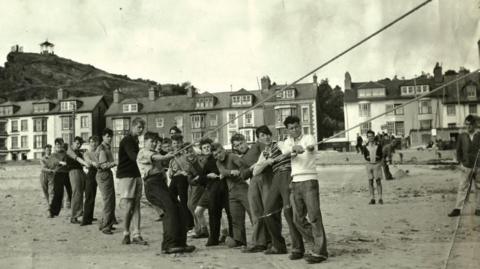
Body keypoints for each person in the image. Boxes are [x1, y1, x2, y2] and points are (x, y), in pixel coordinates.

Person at [137, 132, 195, 253]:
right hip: (152, 185)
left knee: (179, 208)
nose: (153, 144)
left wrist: (175, 154)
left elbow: (164, 160)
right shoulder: (143, 152)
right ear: (145, 141)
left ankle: (181, 243)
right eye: (151, 141)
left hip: (161, 184)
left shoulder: (156, 152)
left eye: (155, 142)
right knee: (170, 209)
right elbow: (158, 158)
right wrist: (166, 156)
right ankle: (168, 245)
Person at [282, 115, 328, 264]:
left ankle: (320, 252)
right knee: (297, 219)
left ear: (300, 126)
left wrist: (309, 148)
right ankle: (317, 245)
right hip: (295, 182)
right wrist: (294, 148)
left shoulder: (309, 138)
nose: (294, 130)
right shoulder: (287, 142)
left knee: (314, 217)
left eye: (296, 127)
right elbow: (285, 151)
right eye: (291, 128)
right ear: (287, 130)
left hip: (309, 181)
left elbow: (312, 148)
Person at [252, 125, 304, 257]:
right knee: (268, 212)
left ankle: (298, 248)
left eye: (267, 134)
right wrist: (266, 162)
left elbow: (287, 150)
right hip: (276, 179)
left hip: (286, 174)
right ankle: (278, 245)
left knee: (288, 212)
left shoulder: (280, 143)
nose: (266, 137)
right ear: (259, 139)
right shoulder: (264, 153)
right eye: (262, 136)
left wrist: (290, 150)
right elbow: (255, 171)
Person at [230, 133, 269, 253]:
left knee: (269, 210)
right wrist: (252, 168)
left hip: (267, 179)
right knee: (256, 212)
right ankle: (260, 242)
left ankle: (271, 240)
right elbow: (243, 175)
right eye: (237, 145)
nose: (240, 146)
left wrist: (260, 162)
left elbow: (267, 153)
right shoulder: (240, 159)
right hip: (254, 182)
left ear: (245, 141)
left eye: (241, 143)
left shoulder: (256, 146)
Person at [212, 142, 250, 248]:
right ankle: (240, 240)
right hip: (231, 191)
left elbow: (243, 165)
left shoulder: (232, 156)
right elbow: (223, 171)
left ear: (224, 149)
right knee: (236, 217)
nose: (219, 155)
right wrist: (231, 172)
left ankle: (262, 240)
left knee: (253, 213)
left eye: (220, 152)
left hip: (242, 188)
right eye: (216, 154)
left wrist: (239, 171)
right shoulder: (218, 162)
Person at [117, 118, 147, 245]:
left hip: (135, 174)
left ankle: (136, 234)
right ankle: (126, 234)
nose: (141, 130)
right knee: (129, 206)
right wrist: (148, 157)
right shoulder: (127, 140)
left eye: (142, 128)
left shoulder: (134, 140)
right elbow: (134, 157)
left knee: (136, 205)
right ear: (133, 126)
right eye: (139, 127)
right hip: (127, 176)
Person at [448, 115, 480, 217]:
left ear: (475, 125)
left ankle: (478, 209)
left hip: (478, 166)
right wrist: (460, 162)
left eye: (470, 125)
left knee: (479, 187)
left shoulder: (479, 135)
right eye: (466, 125)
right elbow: (458, 151)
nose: (468, 127)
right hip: (466, 166)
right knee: (462, 187)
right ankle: (457, 209)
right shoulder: (462, 136)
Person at [168, 134, 195, 231]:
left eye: (179, 142)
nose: (176, 145)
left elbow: (188, 167)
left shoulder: (186, 152)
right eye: (174, 143)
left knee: (184, 200)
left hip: (183, 178)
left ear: (182, 142)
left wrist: (180, 170)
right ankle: (179, 218)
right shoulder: (172, 154)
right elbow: (171, 168)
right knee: (170, 197)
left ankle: (189, 223)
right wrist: (171, 171)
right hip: (175, 178)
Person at [96, 128, 117, 235]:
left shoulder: (106, 147)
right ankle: (105, 226)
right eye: (107, 136)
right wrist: (115, 163)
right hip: (103, 174)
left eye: (111, 136)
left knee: (111, 199)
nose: (110, 138)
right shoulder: (102, 148)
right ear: (103, 137)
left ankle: (106, 223)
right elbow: (103, 165)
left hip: (106, 174)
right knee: (108, 200)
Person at [44, 138, 71, 217]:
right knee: (58, 193)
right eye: (57, 144)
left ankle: (77, 210)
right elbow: (51, 164)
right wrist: (59, 162)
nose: (58, 146)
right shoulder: (53, 155)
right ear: (55, 146)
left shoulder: (67, 154)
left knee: (72, 192)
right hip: (58, 175)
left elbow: (69, 162)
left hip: (68, 174)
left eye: (60, 144)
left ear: (63, 144)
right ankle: (53, 212)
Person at [67, 136, 90, 224]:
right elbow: (78, 159)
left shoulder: (78, 152)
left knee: (85, 191)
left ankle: (81, 213)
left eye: (80, 144)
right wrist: (86, 163)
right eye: (77, 143)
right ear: (73, 143)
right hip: (73, 172)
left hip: (80, 171)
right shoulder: (70, 150)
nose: (79, 145)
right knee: (76, 193)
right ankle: (74, 216)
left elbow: (83, 159)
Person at [82, 136, 100, 226]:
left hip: (100, 172)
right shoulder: (87, 153)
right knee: (89, 195)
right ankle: (86, 219)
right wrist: (93, 163)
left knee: (101, 195)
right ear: (89, 143)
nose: (93, 143)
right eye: (92, 142)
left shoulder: (100, 152)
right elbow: (88, 162)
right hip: (91, 173)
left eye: (95, 142)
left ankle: (90, 216)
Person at [362, 130, 384, 205]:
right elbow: (365, 155)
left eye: (372, 136)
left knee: (378, 181)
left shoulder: (378, 145)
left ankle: (380, 198)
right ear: (367, 137)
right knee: (370, 181)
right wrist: (368, 161)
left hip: (377, 164)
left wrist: (379, 163)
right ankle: (372, 198)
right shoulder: (365, 146)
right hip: (369, 164)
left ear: (374, 136)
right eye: (369, 136)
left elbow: (381, 155)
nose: (371, 138)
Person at [40, 144, 55, 217]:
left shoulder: (53, 158)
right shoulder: (42, 158)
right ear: (45, 150)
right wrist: (51, 170)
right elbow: (43, 168)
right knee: (45, 193)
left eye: (50, 150)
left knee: (51, 192)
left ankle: (50, 209)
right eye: (47, 150)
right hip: (43, 176)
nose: (49, 151)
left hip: (51, 176)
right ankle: (48, 207)